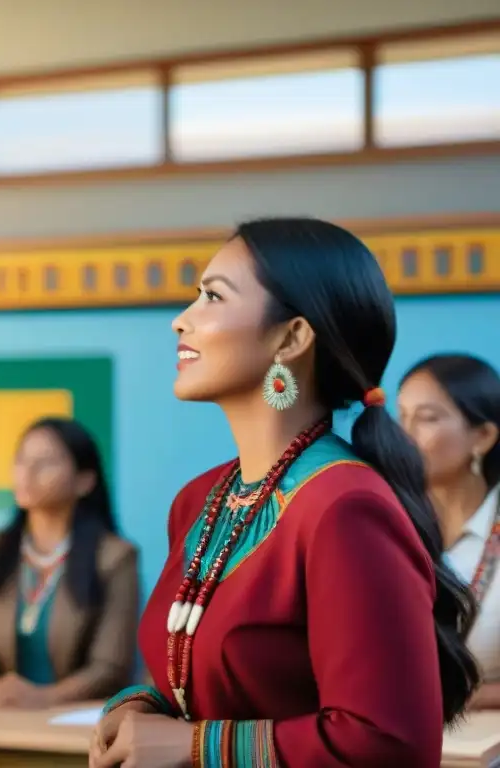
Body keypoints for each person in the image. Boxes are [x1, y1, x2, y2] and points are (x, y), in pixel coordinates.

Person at [89, 217, 480, 767]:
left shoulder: (345, 507)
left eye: (212, 297)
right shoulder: (199, 500)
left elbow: (393, 742)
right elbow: (198, 679)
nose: (182, 321)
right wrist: (137, 707)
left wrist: (194, 746)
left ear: (292, 337)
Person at [0, 417, 139, 708]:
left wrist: (43, 698)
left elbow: (110, 667)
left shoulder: (115, 556)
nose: (27, 472)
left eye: (46, 463)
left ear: (85, 481)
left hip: (71, 725)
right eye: (21, 460)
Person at [399, 354, 500, 708]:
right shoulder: (388, 519)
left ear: (483, 437)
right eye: (402, 417)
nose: (404, 435)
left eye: (426, 419)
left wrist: (465, 697)